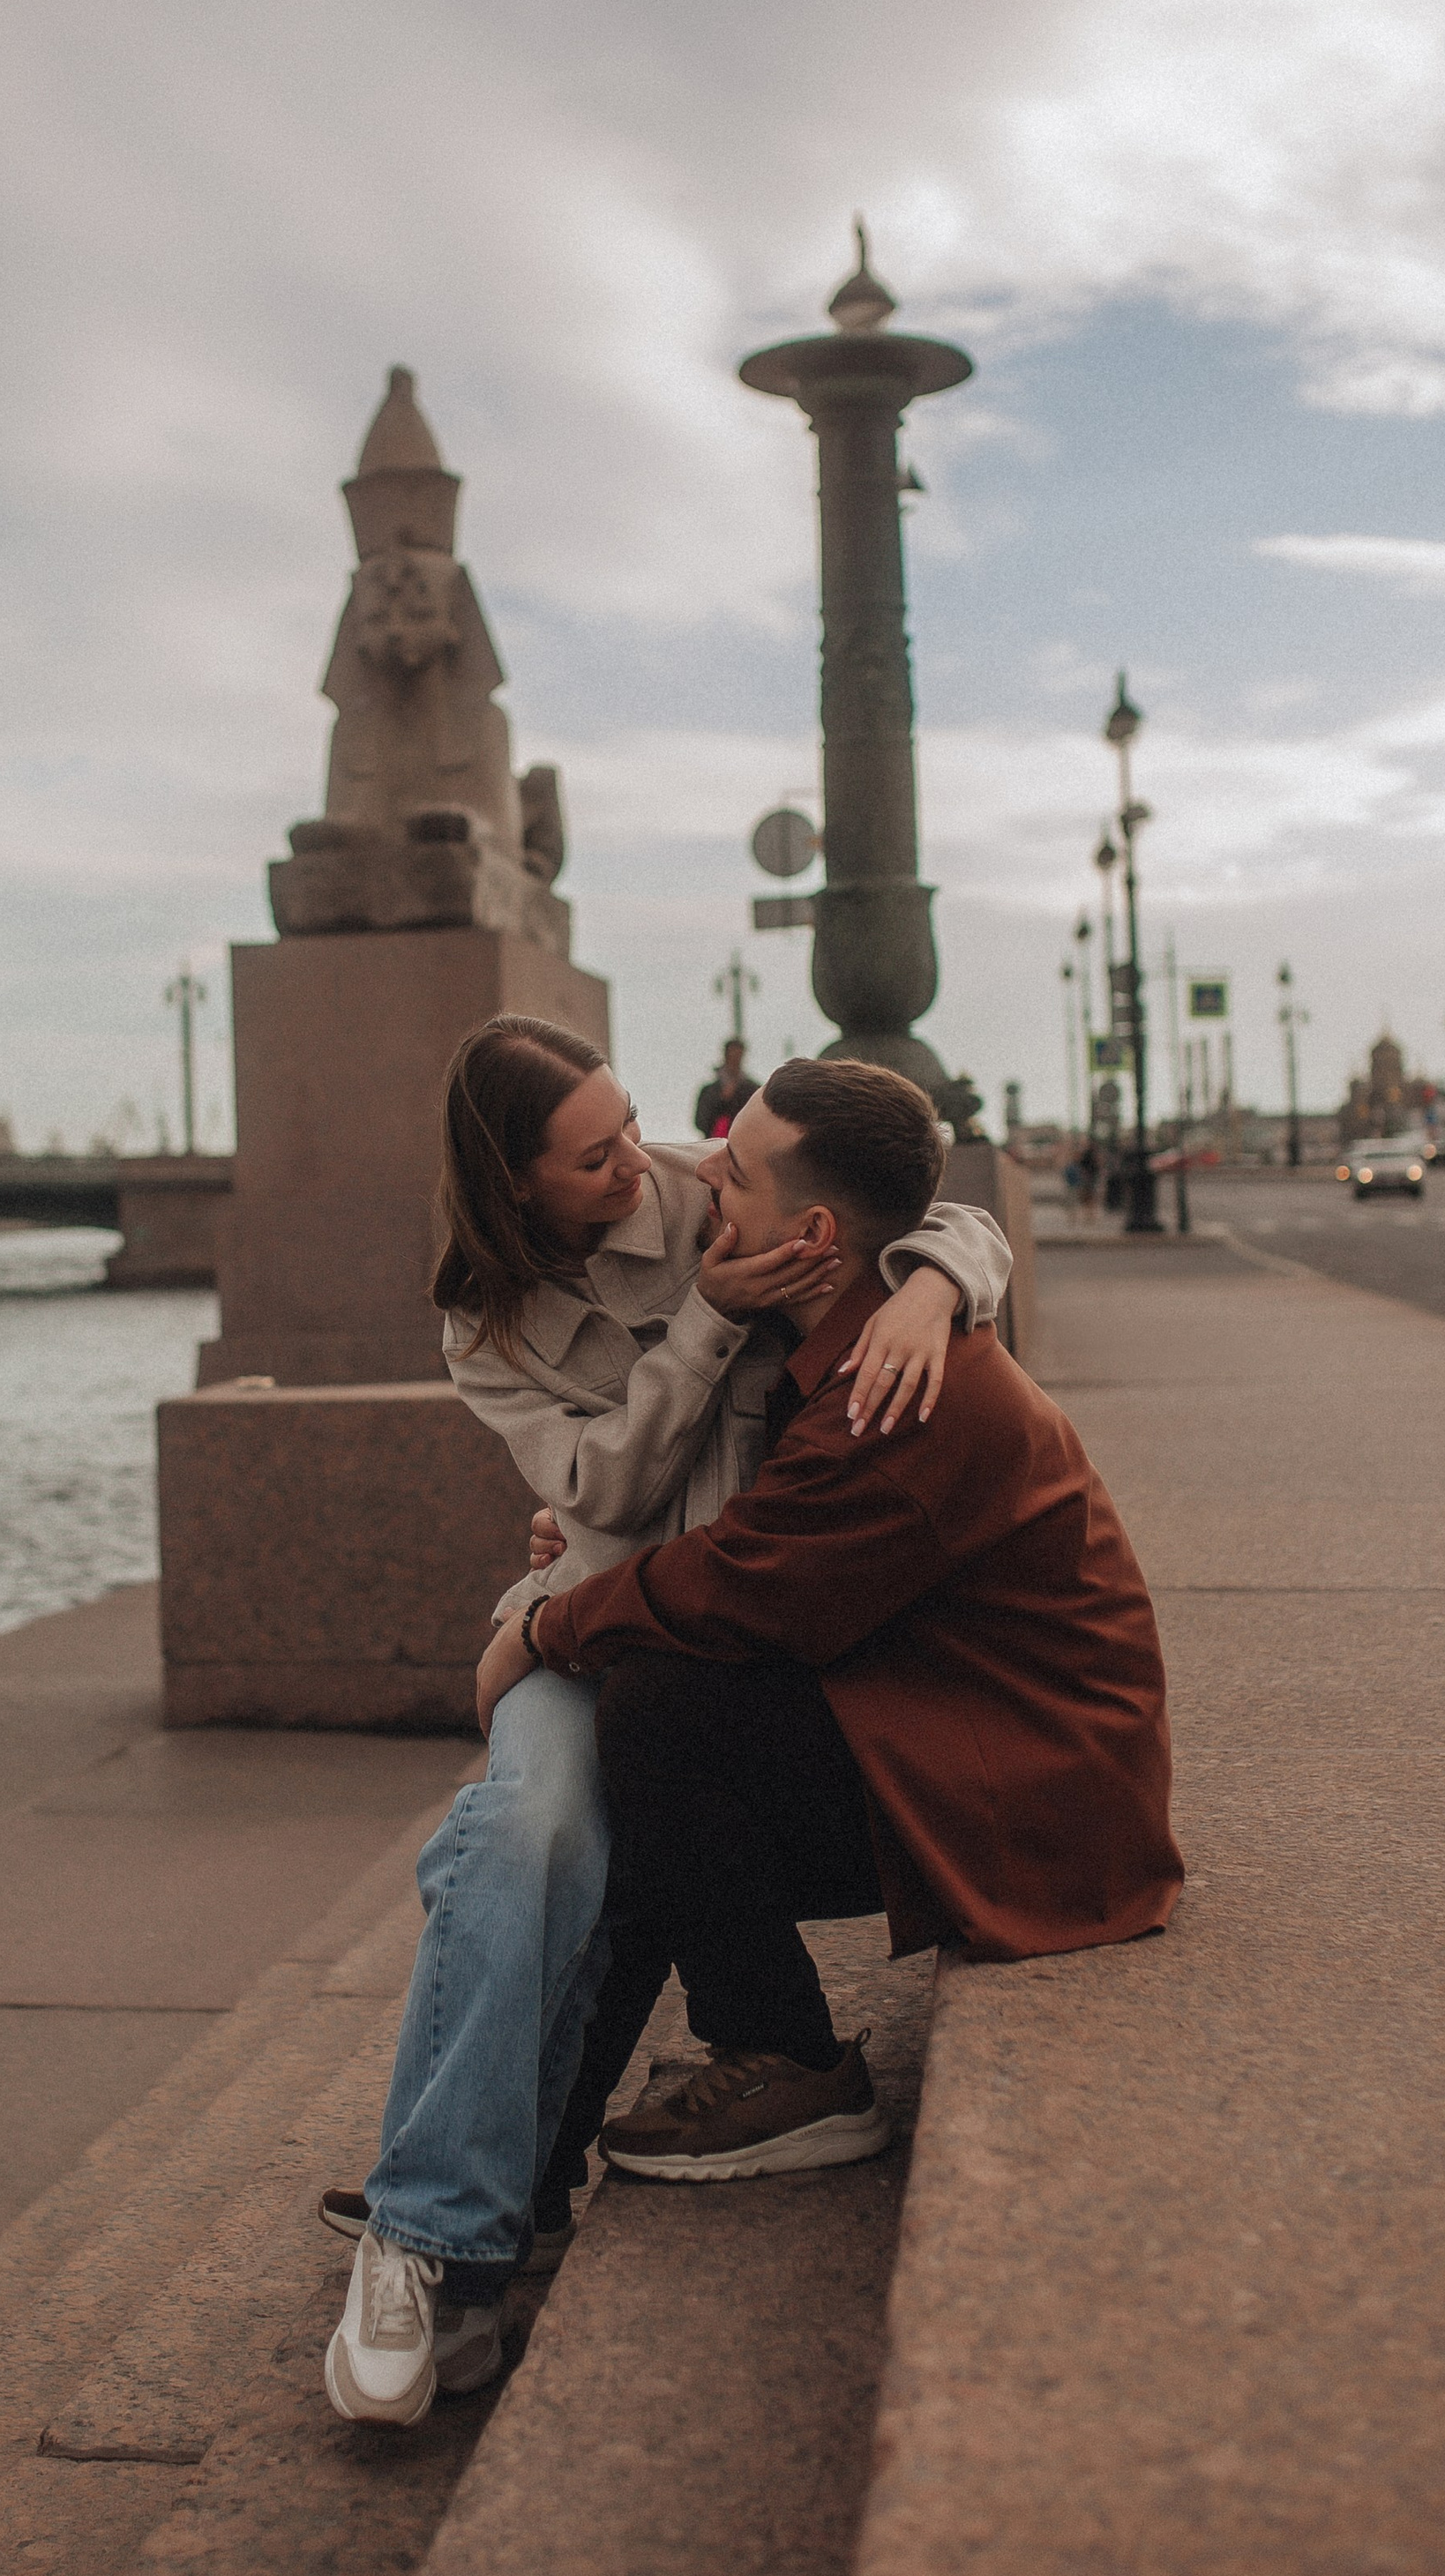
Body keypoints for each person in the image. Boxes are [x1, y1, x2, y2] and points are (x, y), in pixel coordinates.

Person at [323, 1017, 1013, 2427]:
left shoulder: (706, 1190)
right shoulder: (485, 1324)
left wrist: (930, 1289)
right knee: (519, 1834)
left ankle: (452, 2231)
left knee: (599, 1835)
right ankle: (432, 2237)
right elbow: (605, 1495)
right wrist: (704, 1324)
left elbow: (925, 1191)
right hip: (598, 1620)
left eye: (630, 1121)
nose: (636, 1162)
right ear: (518, 1183)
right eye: (593, 1156)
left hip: (691, 1640)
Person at [473, 1056, 1179, 2184]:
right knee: (652, 1791)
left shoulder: (891, 1392)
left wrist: (538, 1633)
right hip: (974, 1730)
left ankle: (787, 2065)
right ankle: (518, 2179)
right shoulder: (848, 1334)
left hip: (1041, 1800)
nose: (705, 1181)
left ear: (809, 1234)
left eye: (738, 1173)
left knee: (657, 1723)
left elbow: (742, 1583)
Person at [693, 1037, 759, 1139]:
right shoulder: (709, 1091)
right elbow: (700, 1121)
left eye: (738, 1055)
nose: (735, 1060)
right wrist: (721, 1100)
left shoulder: (752, 1090)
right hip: (715, 1142)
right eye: (732, 1055)